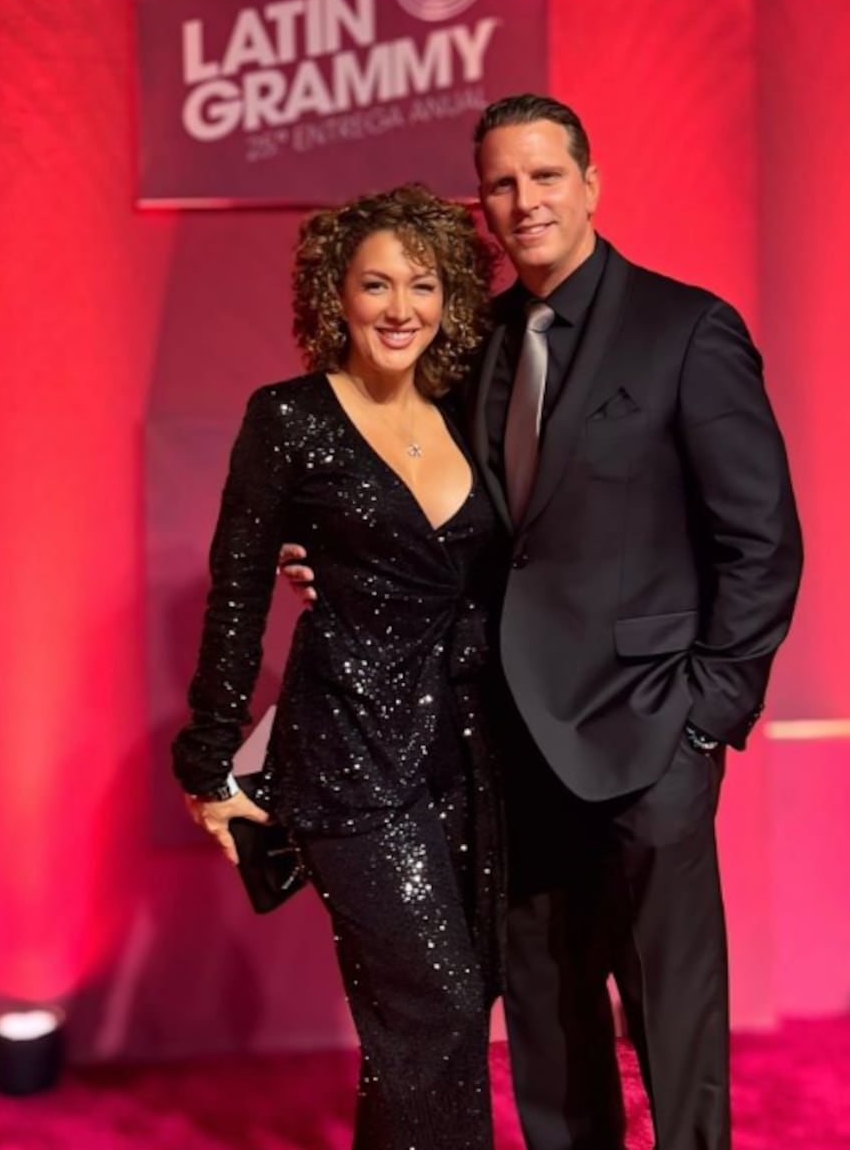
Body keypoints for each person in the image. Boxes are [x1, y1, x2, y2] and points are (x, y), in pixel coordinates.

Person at [284, 95, 803, 1150]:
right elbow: (461, 533)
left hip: (649, 732)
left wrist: (707, 713)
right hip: (512, 742)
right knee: (544, 1007)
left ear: (591, 183)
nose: (524, 201)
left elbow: (763, 538)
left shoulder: (686, 329)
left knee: (671, 1009)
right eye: (502, 184)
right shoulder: (473, 349)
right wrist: (340, 563)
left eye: (545, 176)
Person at [172, 184, 505, 1150]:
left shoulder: (467, 409)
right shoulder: (286, 418)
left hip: (468, 757)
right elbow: (235, 591)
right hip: (349, 757)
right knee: (434, 1004)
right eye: (376, 284)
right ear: (335, 296)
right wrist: (207, 763)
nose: (401, 307)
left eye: (424, 284)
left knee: (435, 1014)